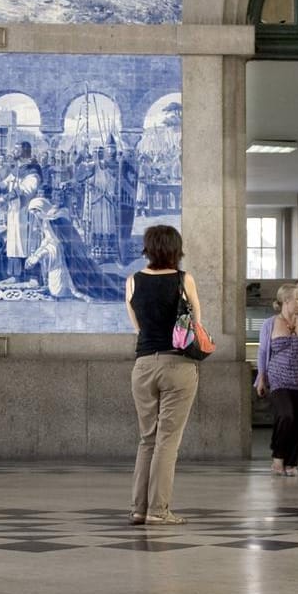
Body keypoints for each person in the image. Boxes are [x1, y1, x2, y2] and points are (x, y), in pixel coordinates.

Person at [125, 225, 202, 525]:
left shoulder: (132, 282)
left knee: (147, 439)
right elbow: (195, 324)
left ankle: (137, 508)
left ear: (148, 248)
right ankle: (159, 510)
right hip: (178, 365)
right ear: (176, 250)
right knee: (167, 440)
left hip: (143, 366)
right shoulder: (184, 280)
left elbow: (137, 327)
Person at [256, 282, 298, 477]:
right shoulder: (269, 324)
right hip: (279, 381)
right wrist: (261, 378)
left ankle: (292, 462)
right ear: (286, 300)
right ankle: (278, 456)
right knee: (286, 415)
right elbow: (262, 352)